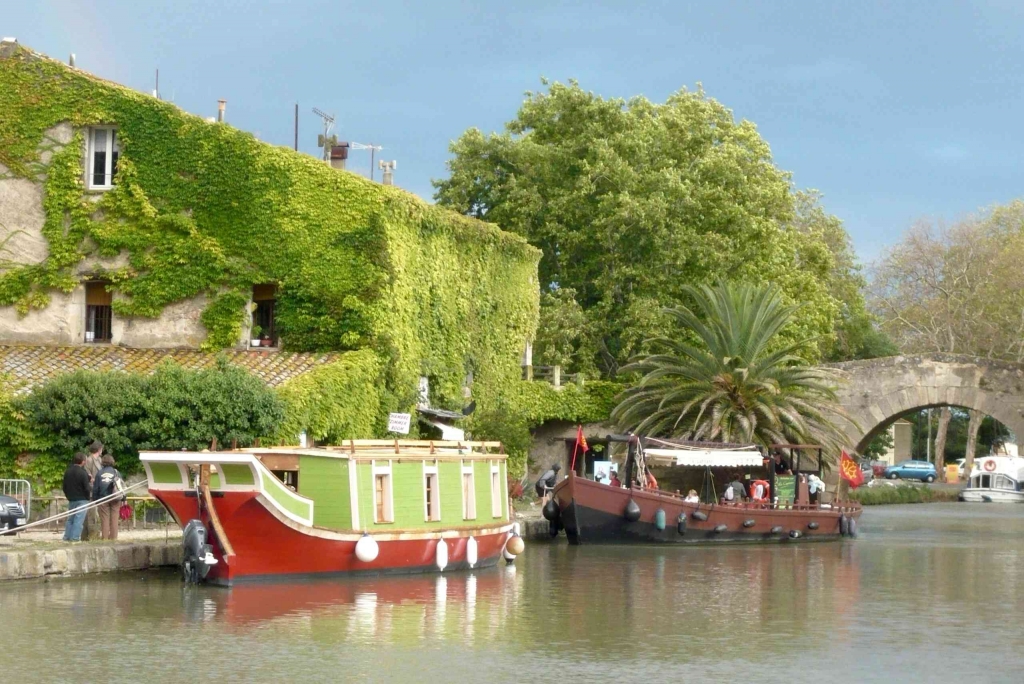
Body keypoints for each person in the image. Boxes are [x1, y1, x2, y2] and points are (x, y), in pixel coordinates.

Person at [92, 455, 125, 540]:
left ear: (103, 462)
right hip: (115, 497)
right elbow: (121, 486)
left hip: (103, 498)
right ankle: (114, 538)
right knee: (114, 518)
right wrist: (124, 498)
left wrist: (95, 499)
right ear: (112, 461)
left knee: (104, 519)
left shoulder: (99, 473)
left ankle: (105, 538)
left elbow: (96, 488)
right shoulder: (116, 472)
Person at [62, 453, 92, 542]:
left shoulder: (68, 471)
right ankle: (75, 538)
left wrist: (68, 496)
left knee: (70, 519)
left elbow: (64, 487)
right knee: (79, 520)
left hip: (71, 499)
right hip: (82, 499)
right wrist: (88, 496)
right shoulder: (83, 473)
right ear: (83, 462)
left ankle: (67, 537)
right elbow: (86, 488)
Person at [81, 440, 103, 541]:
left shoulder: (99, 460)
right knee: (90, 514)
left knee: (95, 513)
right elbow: (87, 475)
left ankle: (94, 534)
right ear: (99, 449)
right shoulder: (89, 460)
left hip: (98, 489)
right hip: (91, 489)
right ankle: (90, 535)